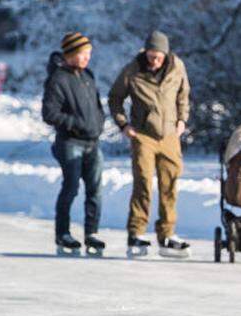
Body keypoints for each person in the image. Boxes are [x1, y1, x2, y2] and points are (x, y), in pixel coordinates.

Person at [108, 30, 191, 258]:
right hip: (142, 134)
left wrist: (182, 119)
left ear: (165, 54)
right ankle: (136, 232)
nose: (154, 61)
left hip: (170, 134)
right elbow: (115, 98)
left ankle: (167, 234)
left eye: (159, 57)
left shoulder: (177, 67)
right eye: (151, 56)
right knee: (143, 182)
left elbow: (183, 94)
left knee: (170, 184)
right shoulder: (132, 71)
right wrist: (124, 125)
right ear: (145, 53)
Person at [41, 32, 107, 255]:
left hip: (92, 141)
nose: (87, 57)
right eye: (82, 53)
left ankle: (92, 233)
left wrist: (99, 121)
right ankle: (63, 233)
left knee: (95, 189)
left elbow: (97, 105)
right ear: (70, 54)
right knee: (71, 187)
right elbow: (49, 113)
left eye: (89, 53)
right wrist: (75, 123)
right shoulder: (58, 78)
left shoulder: (88, 76)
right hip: (70, 142)